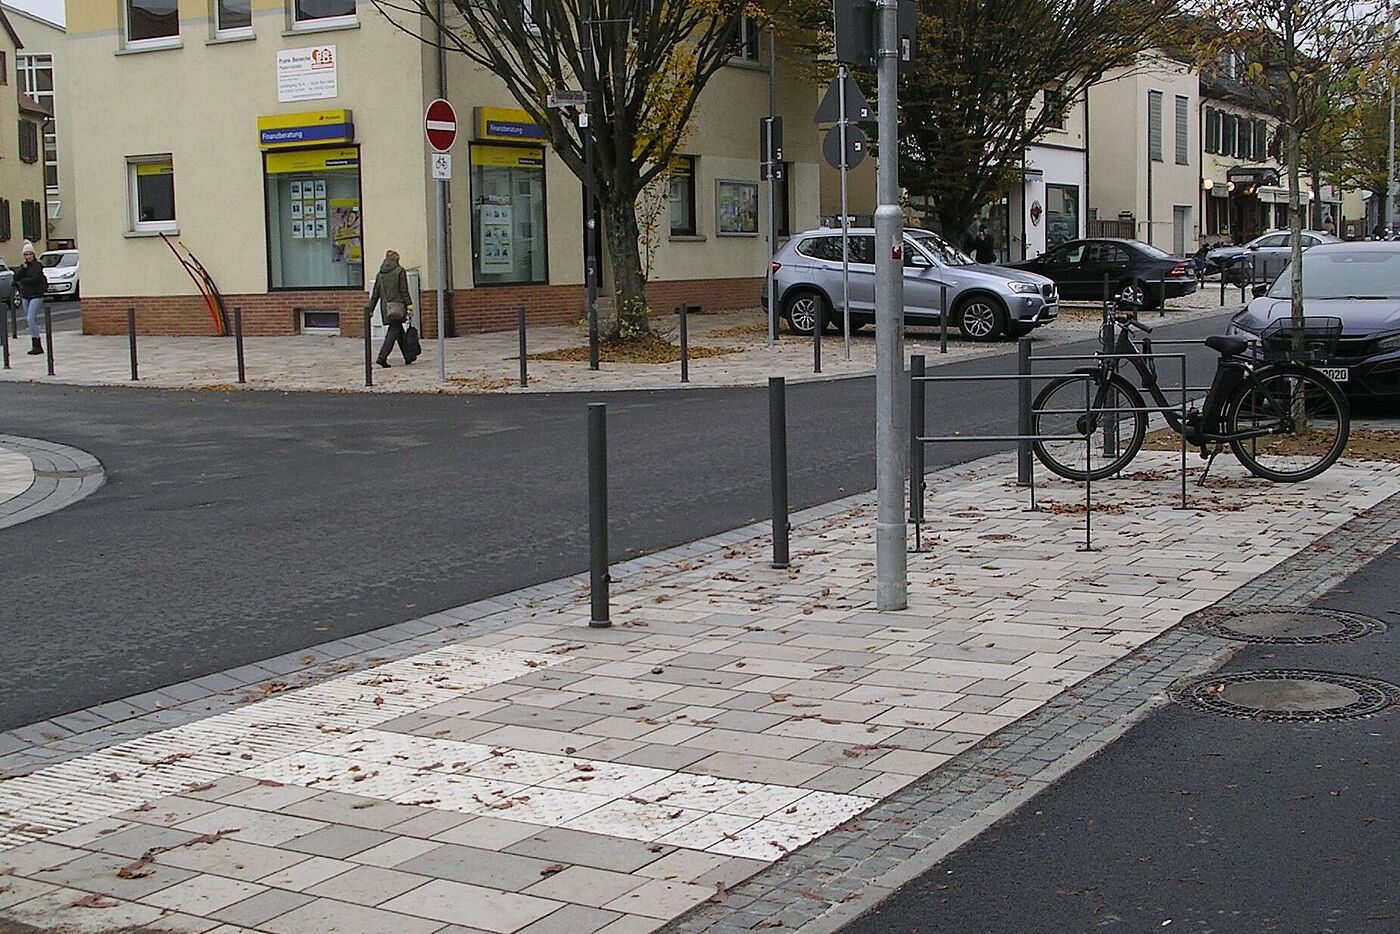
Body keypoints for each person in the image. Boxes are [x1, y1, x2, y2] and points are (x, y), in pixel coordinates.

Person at [364, 249, 416, 367]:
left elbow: (375, 294)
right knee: (394, 330)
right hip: (398, 306)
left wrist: (370, 309)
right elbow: (404, 290)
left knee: (398, 331)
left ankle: (408, 356)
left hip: (386, 308)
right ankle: (382, 357)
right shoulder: (400, 271)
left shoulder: (380, 274)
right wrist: (410, 305)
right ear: (397, 260)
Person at [14, 241, 46, 356]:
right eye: (26, 254)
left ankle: (37, 344)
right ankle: (34, 344)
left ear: (34, 254)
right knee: (30, 320)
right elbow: (15, 277)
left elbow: (35, 279)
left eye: (30, 254)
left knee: (30, 318)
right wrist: (23, 270)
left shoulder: (38, 266)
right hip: (25, 295)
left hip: (36, 295)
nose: (28, 256)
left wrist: (22, 281)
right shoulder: (24, 267)